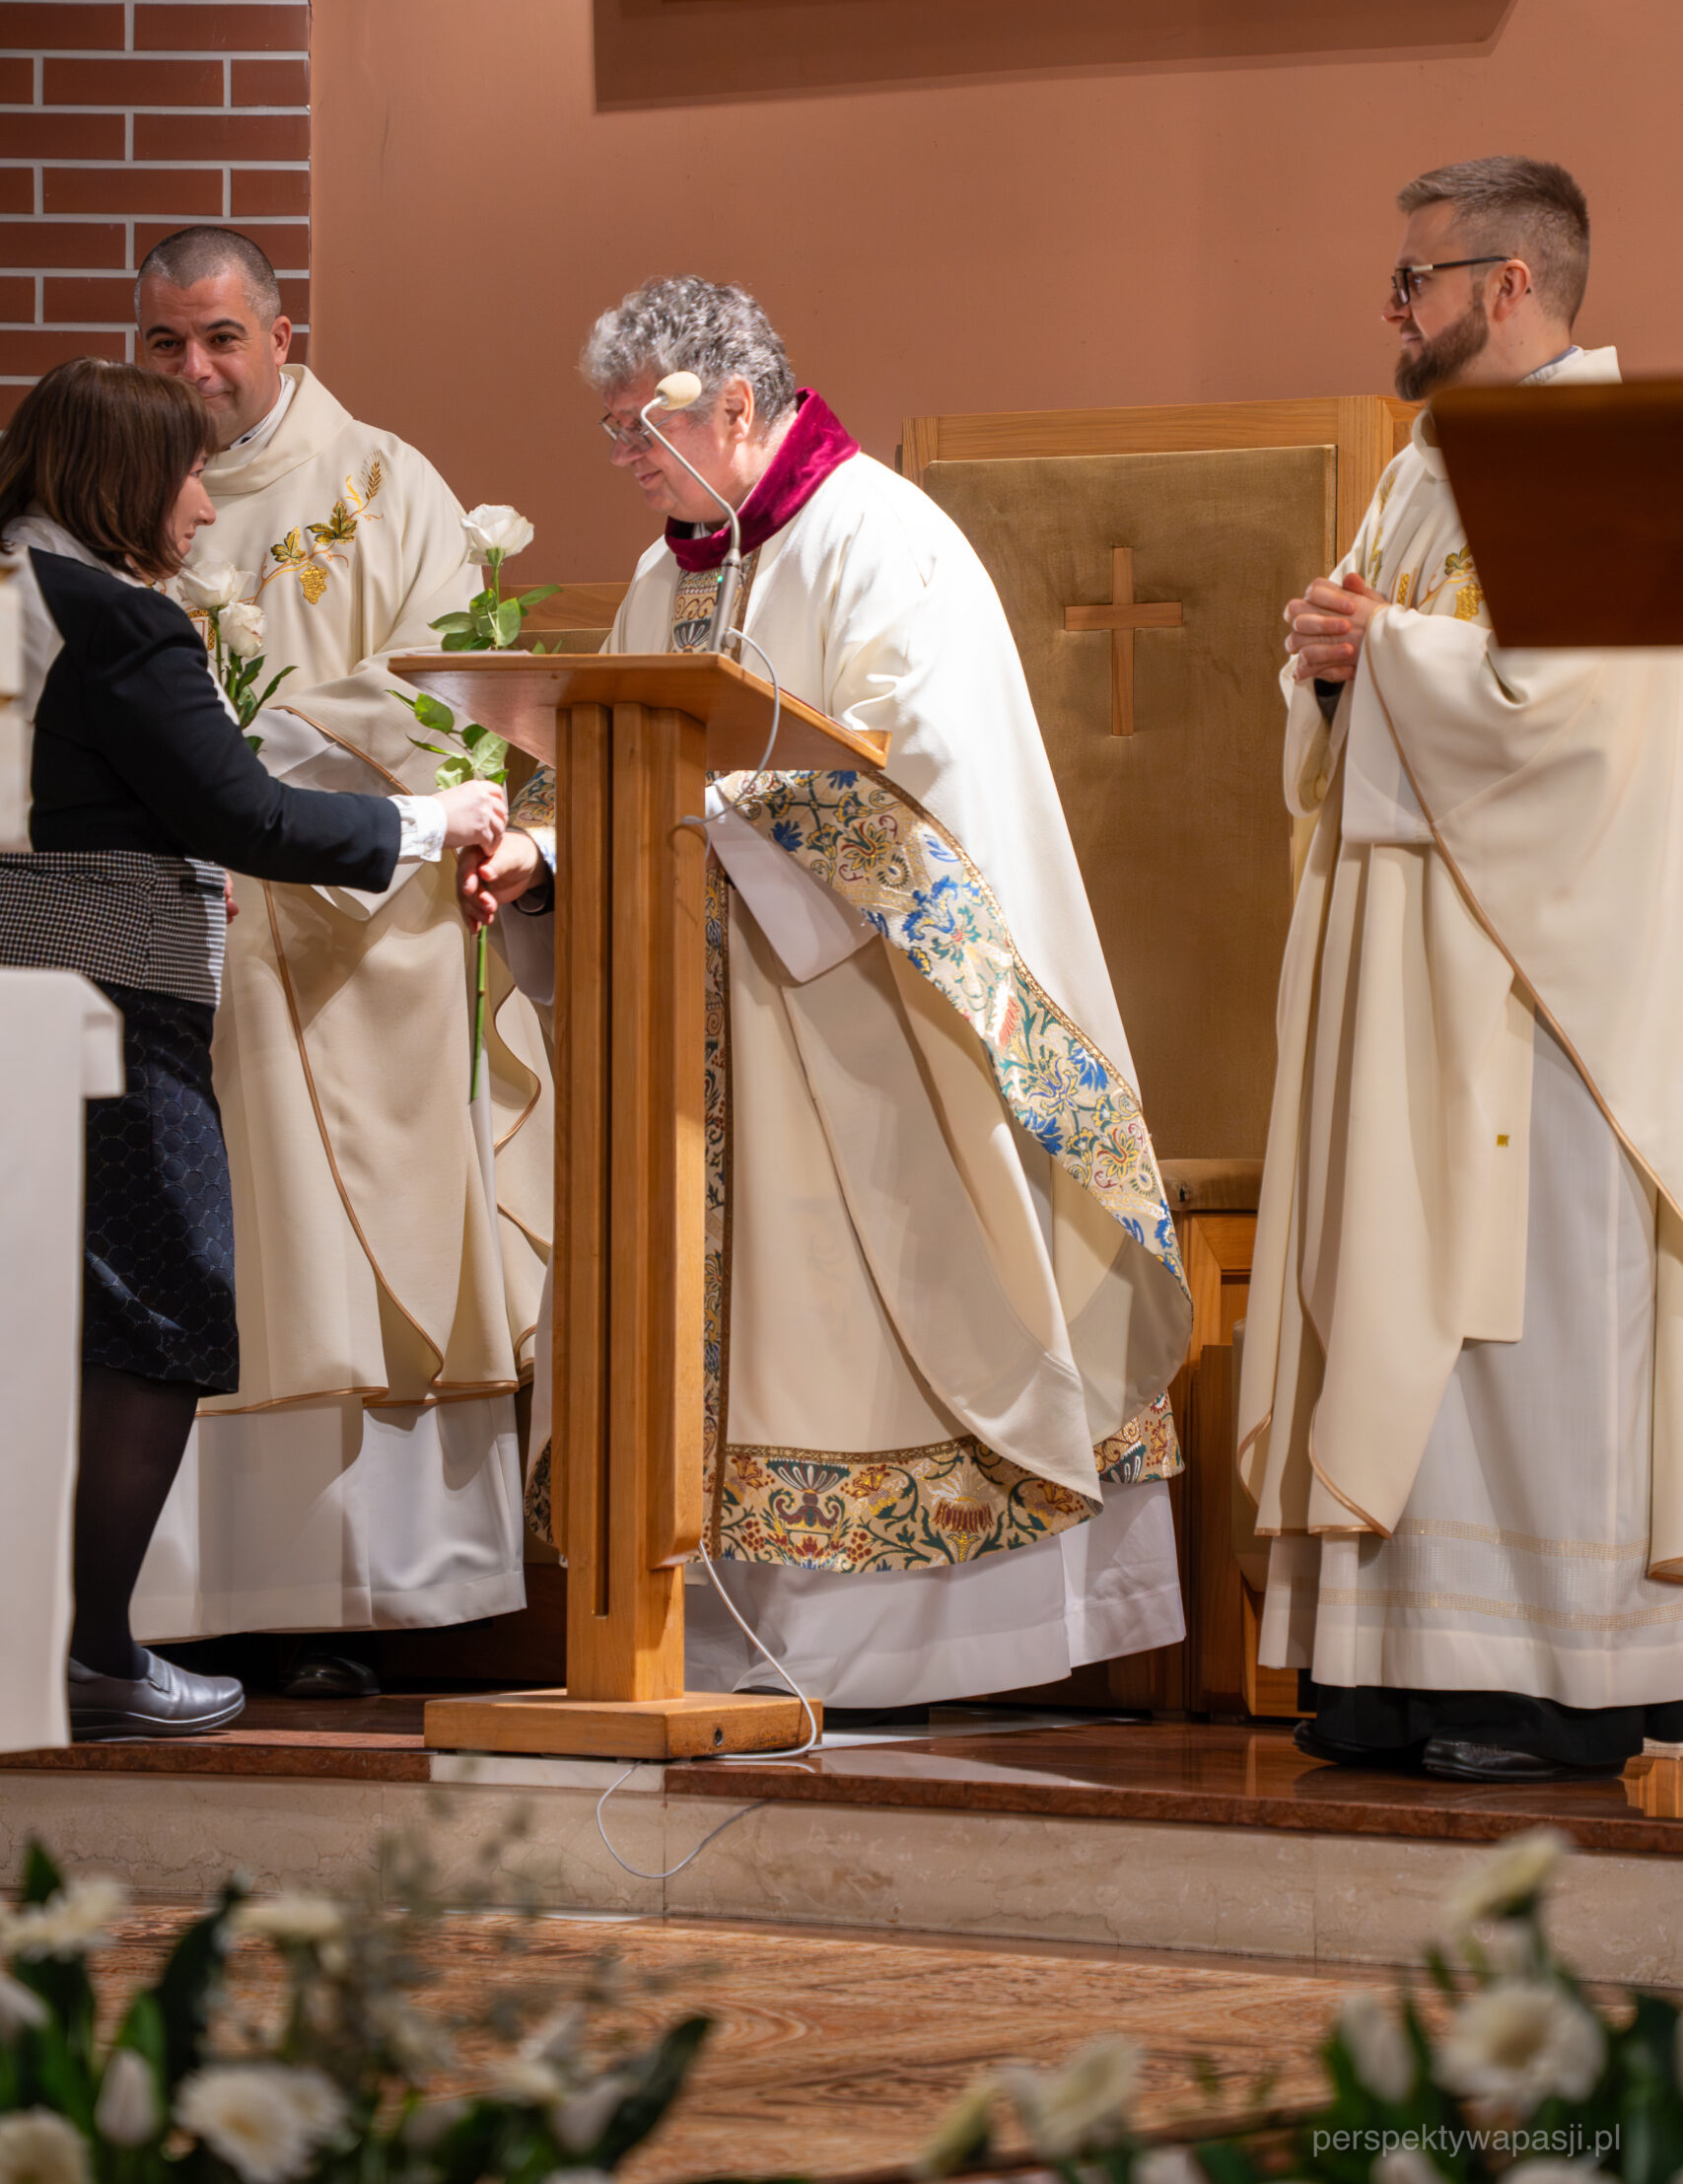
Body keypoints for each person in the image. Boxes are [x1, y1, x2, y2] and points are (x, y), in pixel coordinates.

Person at [460, 275, 1192, 1711]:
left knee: (881, 1317)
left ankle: (904, 1654)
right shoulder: (669, 573)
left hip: (864, 1028)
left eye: (640, 426)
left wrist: (695, 819)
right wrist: (547, 853)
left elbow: (910, 784)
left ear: (737, 405)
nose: (621, 456)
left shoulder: (883, 541)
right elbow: (617, 759)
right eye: (611, 428)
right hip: (695, 1028)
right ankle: (710, 1645)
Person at [1238, 155, 1683, 1781]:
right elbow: (1384, 672)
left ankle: (1551, 1685)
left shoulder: (1607, 456)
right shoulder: (1424, 467)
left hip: (1541, 992)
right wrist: (1328, 663)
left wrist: (1387, 653)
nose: (1393, 308)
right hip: (1409, 968)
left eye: (1415, 279)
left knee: (1523, 1319)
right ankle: (1395, 1664)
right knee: (1396, 1283)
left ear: (1509, 283)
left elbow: (1580, 729)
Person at [0, 360, 506, 1736]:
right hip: (110, 1013)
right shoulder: (119, 620)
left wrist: (141, 856)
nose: (205, 501)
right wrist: (433, 820)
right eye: (184, 472)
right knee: (159, 1315)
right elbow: (252, 817)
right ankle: (91, 1657)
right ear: (122, 482)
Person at [130, 229, 550, 1677]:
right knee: (192, 1248)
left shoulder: (383, 482)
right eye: (166, 343)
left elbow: (447, 686)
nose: (196, 370)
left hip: (353, 938)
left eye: (221, 339)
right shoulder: (113, 497)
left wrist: (251, 775)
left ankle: (367, 1602)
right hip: (177, 933)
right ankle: (183, 1603)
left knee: (346, 1259)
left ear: (281, 336)